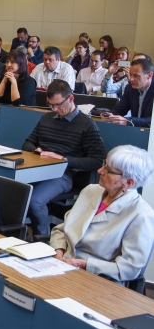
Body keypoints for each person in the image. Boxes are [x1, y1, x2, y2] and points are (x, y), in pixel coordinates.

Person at [51, 145, 154, 283]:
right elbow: (62, 230)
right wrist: (58, 253)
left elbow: (129, 269)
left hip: (98, 280)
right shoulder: (90, 191)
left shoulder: (140, 214)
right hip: (61, 266)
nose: (100, 171)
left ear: (128, 182)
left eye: (108, 170)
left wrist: (84, 264)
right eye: (104, 165)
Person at [22, 80, 106, 235]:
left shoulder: (86, 124)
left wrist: (62, 159)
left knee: (35, 201)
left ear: (71, 99)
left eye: (58, 105)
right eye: (51, 105)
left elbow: (96, 160)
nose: (55, 109)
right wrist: (36, 150)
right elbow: (27, 143)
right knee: (13, 190)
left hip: (63, 175)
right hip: (37, 169)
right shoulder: (47, 118)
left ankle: (41, 239)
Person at [104, 58, 154, 127]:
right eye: (130, 75)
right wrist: (109, 115)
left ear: (149, 75)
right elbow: (120, 110)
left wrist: (128, 121)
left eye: (136, 76)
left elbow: (151, 121)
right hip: (135, 132)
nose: (131, 79)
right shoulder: (130, 88)